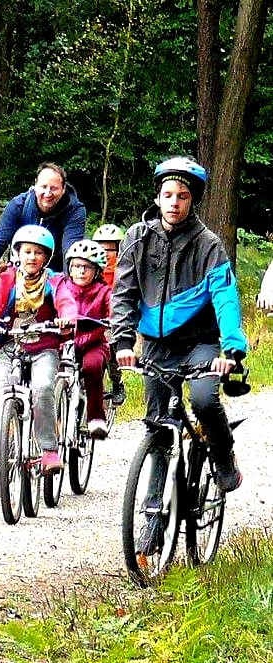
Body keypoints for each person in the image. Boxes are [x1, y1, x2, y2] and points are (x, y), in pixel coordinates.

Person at [111, 156, 247, 507]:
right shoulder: (136, 239)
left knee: (203, 399)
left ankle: (222, 454)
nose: (174, 202)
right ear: (157, 198)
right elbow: (123, 294)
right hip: (156, 345)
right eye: (168, 194)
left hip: (200, 343)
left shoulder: (209, 245)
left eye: (183, 196)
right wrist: (123, 341)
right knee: (158, 429)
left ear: (193, 200)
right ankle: (154, 513)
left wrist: (231, 351)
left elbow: (226, 299)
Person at [0, 225, 76, 473]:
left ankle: (48, 449)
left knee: (43, 388)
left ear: (46, 257)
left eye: (38, 252)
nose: (32, 257)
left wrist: (66, 318)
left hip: (44, 347)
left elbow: (66, 301)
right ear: (18, 253)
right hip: (11, 345)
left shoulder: (55, 280)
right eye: (27, 251)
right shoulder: (8, 278)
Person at [0, 163, 86, 293]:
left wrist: (69, 287)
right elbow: (0, 240)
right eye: (43, 187)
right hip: (19, 275)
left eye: (54, 188)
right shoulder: (19, 204)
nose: (48, 193)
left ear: (63, 189)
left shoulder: (75, 210)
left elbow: (70, 250)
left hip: (55, 278)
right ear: (35, 185)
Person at [55, 240, 111, 438]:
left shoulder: (104, 292)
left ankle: (95, 416)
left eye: (87, 267)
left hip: (93, 343)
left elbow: (114, 311)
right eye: (76, 266)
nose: (81, 272)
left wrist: (112, 321)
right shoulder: (62, 288)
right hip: (64, 343)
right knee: (52, 369)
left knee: (92, 366)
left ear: (97, 271)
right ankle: (56, 419)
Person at [91, 223, 127, 405]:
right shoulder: (90, 270)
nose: (105, 253)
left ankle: (117, 381)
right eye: (101, 248)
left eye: (110, 249)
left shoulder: (124, 272)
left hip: (114, 318)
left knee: (112, 347)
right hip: (92, 317)